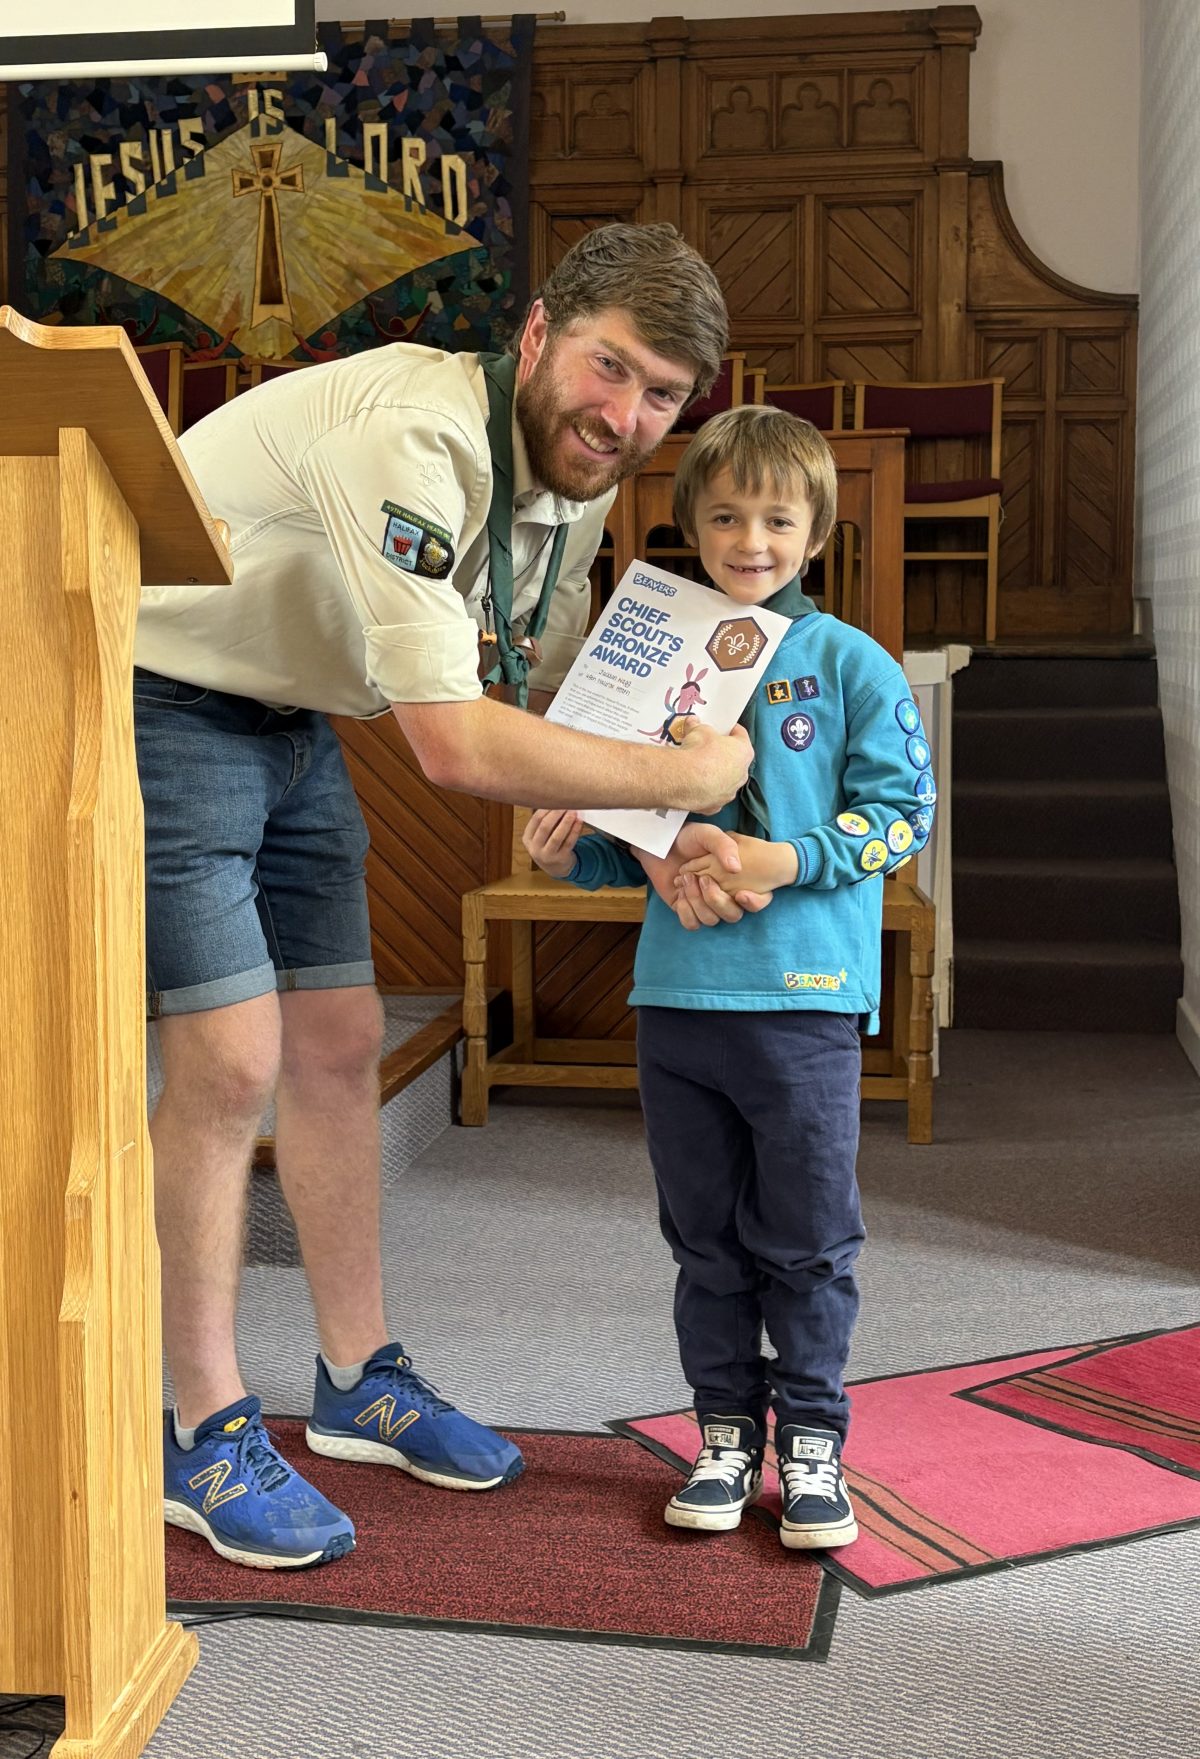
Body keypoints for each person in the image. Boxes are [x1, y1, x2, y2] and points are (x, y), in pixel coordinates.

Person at [136, 222, 755, 1570]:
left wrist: (656, 835)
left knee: (342, 1040)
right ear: (536, 336)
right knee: (229, 1062)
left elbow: (552, 698)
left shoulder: (576, 479)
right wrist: (688, 776)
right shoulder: (416, 436)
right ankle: (200, 1427)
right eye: (609, 367)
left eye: (662, 395)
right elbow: (458, 747)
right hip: (161, 695)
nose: (625, 415)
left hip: (295, 716)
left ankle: (358, 1379)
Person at [523, 404, 936, 1549]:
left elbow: (904, 816)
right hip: (677, 1003)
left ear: (817, 533)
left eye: (777, 519)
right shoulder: (659, 660)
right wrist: (570, 853)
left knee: (806, 1237)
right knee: (704, 1240)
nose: (750, 540)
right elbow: (628, 840)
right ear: (690, 526)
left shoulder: (849, 663)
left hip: (803, 1002)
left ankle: (812, 1440)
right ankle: (722, 1430)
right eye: (725, 517)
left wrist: (780, 859)